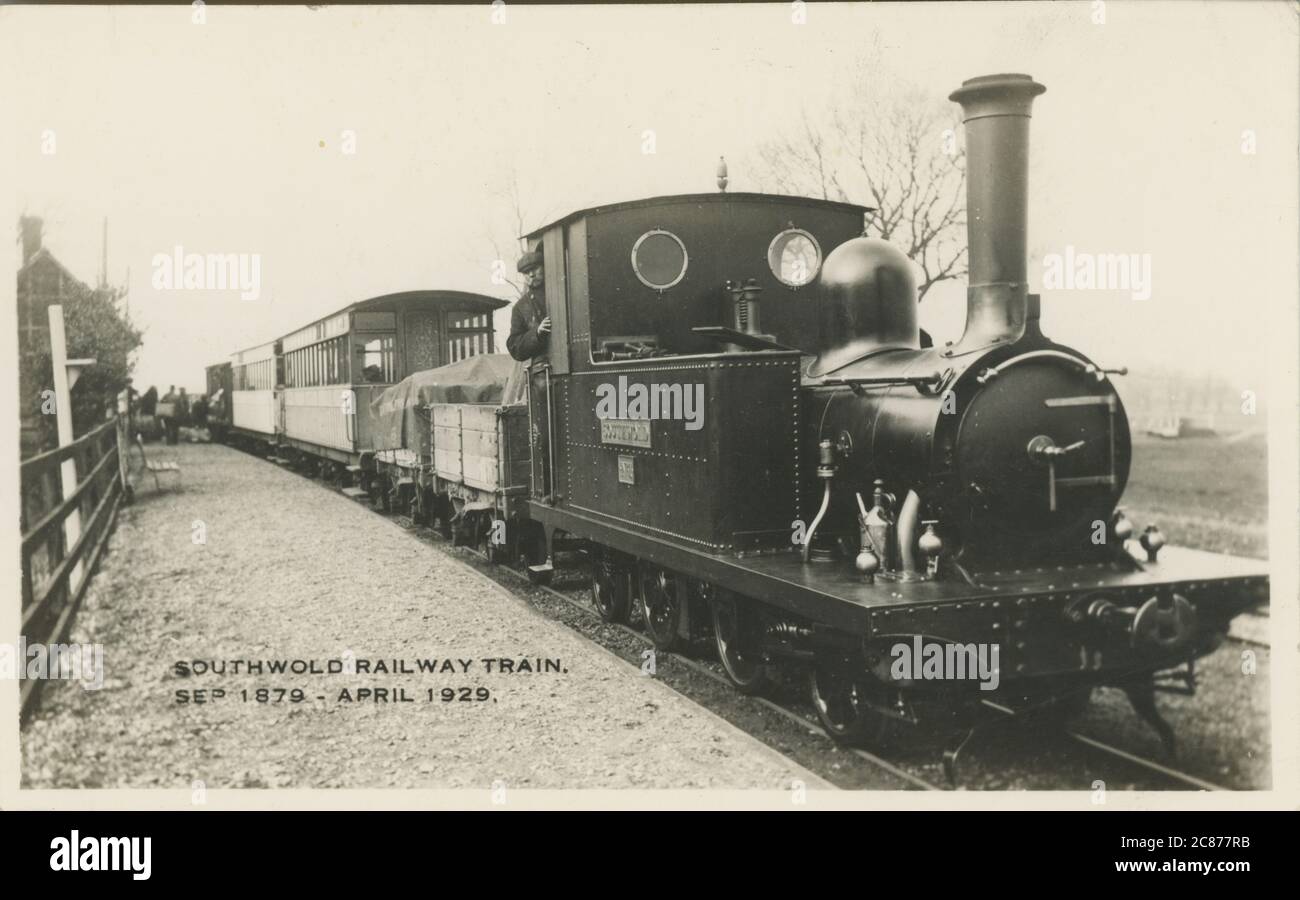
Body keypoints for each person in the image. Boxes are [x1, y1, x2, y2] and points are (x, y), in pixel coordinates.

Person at [506, 249, 550, 362]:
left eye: (535, 269)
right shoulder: (520, 308)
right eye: (526, 272)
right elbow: (514, 347)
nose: (531, 274)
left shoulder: (562, 290)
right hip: (543, 371)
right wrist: (536, 333)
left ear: (544, 267)